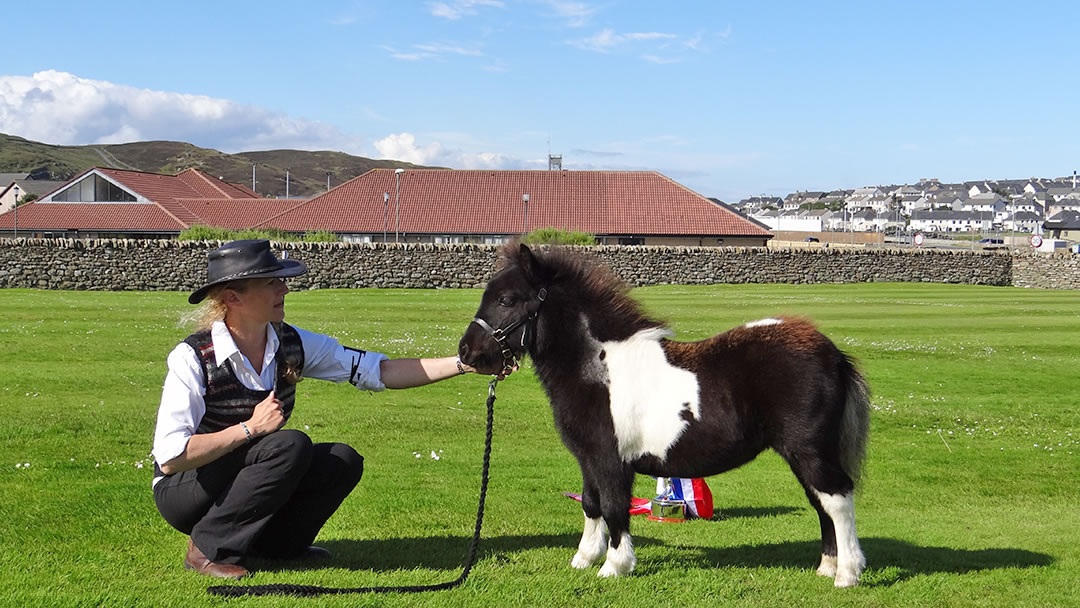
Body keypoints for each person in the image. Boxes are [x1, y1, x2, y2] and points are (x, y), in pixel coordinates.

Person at [151, 239, 512, 580]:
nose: (285, 289)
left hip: (242, 477)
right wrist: (249, 429)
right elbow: (170, 458)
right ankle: (206, 549)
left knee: (341, 461)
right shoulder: (193, 357)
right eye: (272, 282)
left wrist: (467, 365)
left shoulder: (290, 342)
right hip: (184, 491)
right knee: (288, 445)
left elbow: (379, 371)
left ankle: (280, 547)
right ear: (233, 297)